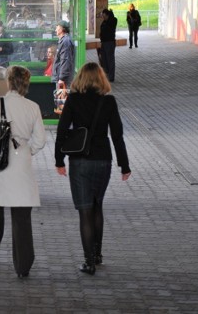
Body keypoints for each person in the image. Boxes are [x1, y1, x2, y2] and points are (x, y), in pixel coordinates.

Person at [54, 62, 131, 275]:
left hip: (79, 161)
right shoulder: (108, 102)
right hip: (103, 159)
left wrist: (59, 160)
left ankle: (88, 262)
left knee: (85, 211)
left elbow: (62, 131)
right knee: (97, 206)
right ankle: (97, 254)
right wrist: (124, 165)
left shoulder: (74, 100)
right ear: (101, 79)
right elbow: (117, 135)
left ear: (80, 79)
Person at [0, 66, 46, 278]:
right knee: (22, 217)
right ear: (26, 83)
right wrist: (26, 150)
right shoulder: (33, 107)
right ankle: (23, 265)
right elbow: (41, 141)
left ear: (9, 82)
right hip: (21, 161)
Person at [51, 20, 75, 88]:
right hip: (62, 78)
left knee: (63, 98)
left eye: (57, 27)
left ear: (62, 29)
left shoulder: (65, 41)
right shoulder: (64, 40)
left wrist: (62, 78)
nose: (55, 29)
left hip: (64, 80)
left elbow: (65, 60)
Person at [99, 9, 117, 82]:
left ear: (107, 15)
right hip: (103, 42)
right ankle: (106, 73)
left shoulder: (113, 20)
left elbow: (109, 28)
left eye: (103, 15)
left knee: (110, 60)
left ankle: (111, 76)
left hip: (109, 42)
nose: (102, 17)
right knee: (104, 60)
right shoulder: (104, 21)